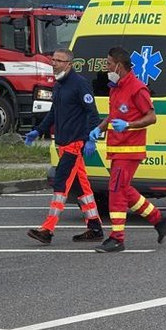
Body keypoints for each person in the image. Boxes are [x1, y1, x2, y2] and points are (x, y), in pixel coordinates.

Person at [87, 46, 166, 253]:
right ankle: (158, 218)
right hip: (117, 147)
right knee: (123, 189)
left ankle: (117, 238)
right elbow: (114, 115)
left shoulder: (137, 88)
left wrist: (129, 125)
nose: (106, 68)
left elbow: (151, 117)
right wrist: (98, 129)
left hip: (130, 149)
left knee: (116, 190)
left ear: (119, 65)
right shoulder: (115, 87)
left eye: (108, 64)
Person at [24, 49, 105, 244]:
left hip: (74, 145)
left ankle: (48, 229)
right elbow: (54, 113)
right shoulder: (59, 85)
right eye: (53, 60)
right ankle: (94, 226)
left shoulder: (79, 84)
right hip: (63, 143)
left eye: (59, 61)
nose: (54, 64)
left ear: (69, 64)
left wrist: (90, 139)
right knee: (83, 188)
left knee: (61, 184)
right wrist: (38, 130)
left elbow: (92, 114)